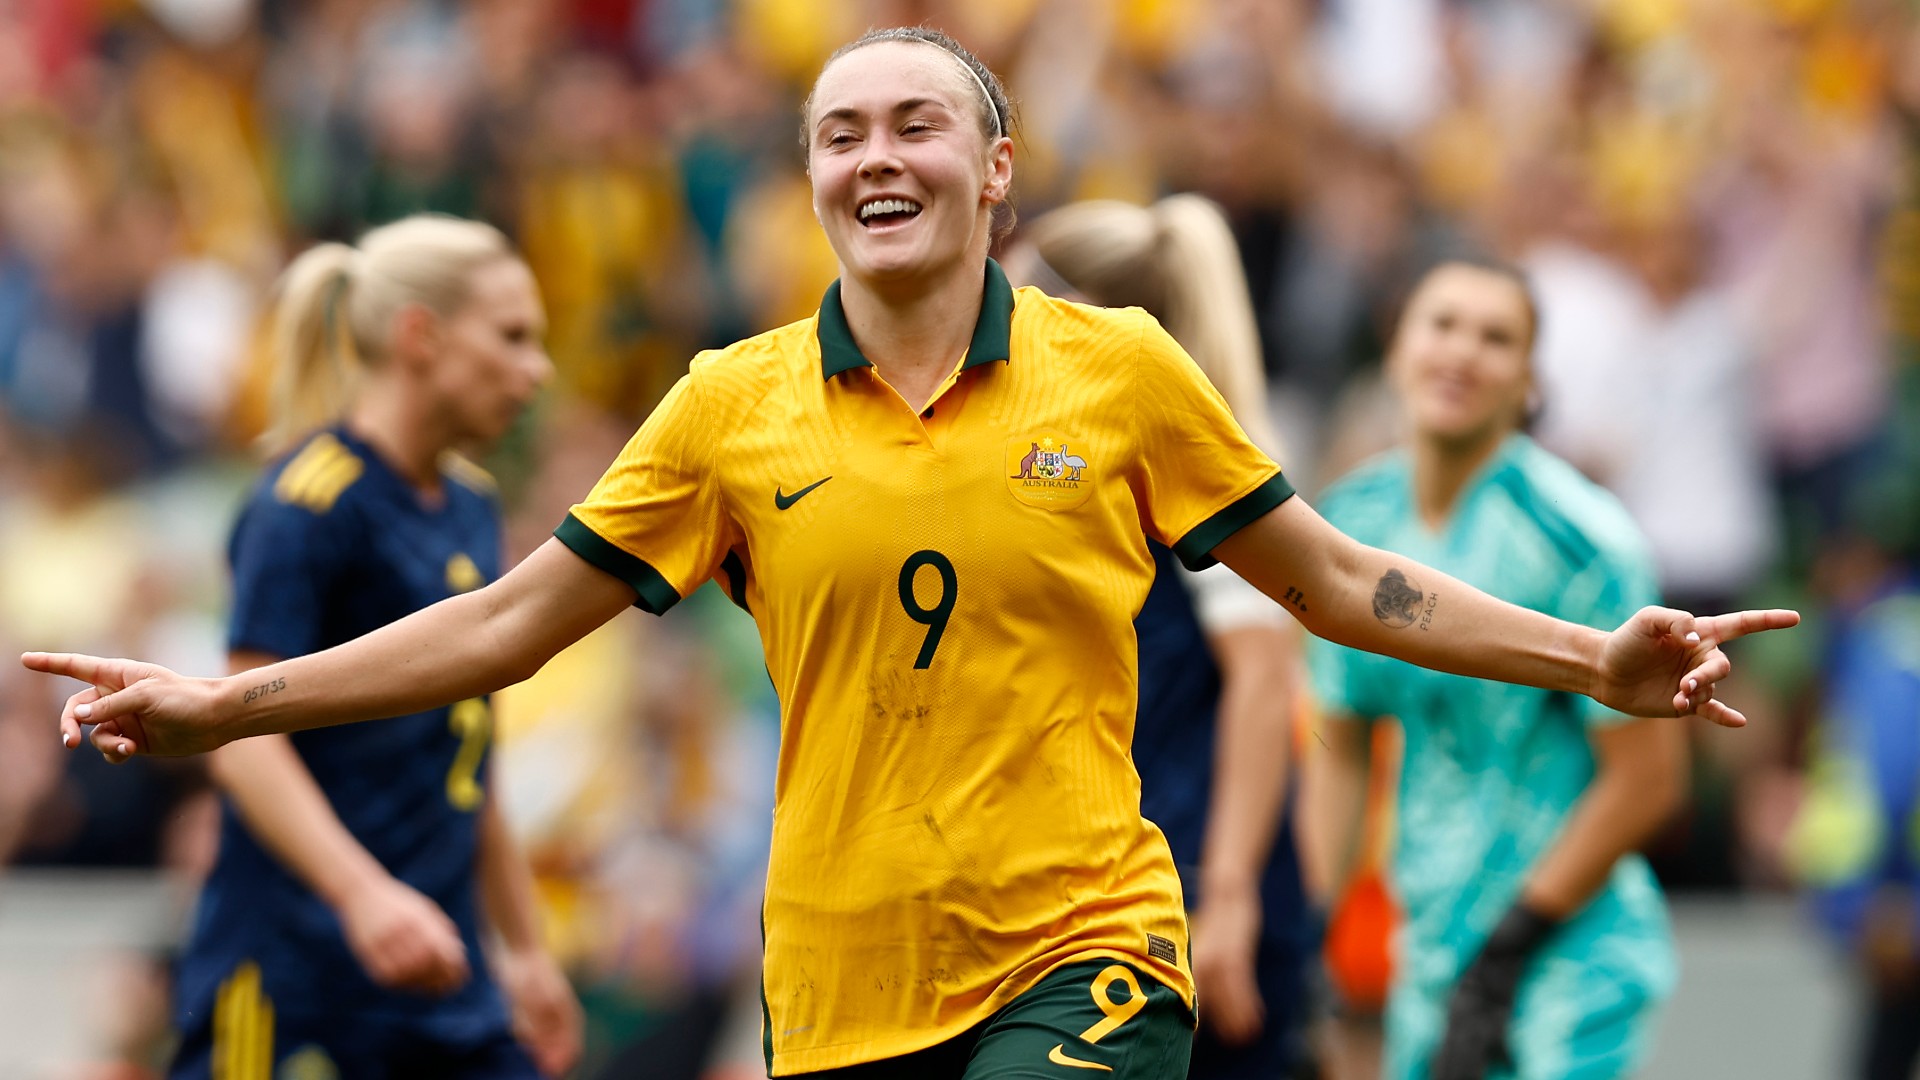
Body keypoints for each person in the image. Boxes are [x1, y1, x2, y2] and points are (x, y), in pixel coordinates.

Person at [28, 28, 1792, 1080]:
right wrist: (227, 705)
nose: (876, 154)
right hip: (837, 981)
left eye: (915, 124)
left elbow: (1334, 586)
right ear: (812, 182)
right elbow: (501, 630)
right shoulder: (728, 408)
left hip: (1088, 947)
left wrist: (1593, 659)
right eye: (840, 133)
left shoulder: (1121, 374)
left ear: (995, 171)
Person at [160, 215, 581, 1079]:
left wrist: (527, 951)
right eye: (512, 337)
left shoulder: (470, 504)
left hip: (442, 977)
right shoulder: (307, 503)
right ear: (420, 336)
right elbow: (243, 745)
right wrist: (364, 897)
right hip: (300, 977)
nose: (537, 370)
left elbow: (472, 747)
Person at [1304, 259, 1688, 1080]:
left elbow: (1648, 779)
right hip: (1429, 951)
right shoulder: (1350, 529)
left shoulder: (1581, 539)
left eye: (1496, 337)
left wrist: (1511, 947)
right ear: (1395, 350)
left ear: (1530, 381)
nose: (1462, 352)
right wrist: (1309, 943)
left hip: (1567, 960)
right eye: (1442, 324)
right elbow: (1340, 750)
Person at [1007, 194, 1317, 1079]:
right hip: (1109, 891)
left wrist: (1228, 898)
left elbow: (1262, 680)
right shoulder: (1071, 469)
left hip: (1189, 890)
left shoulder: (1192, 461)